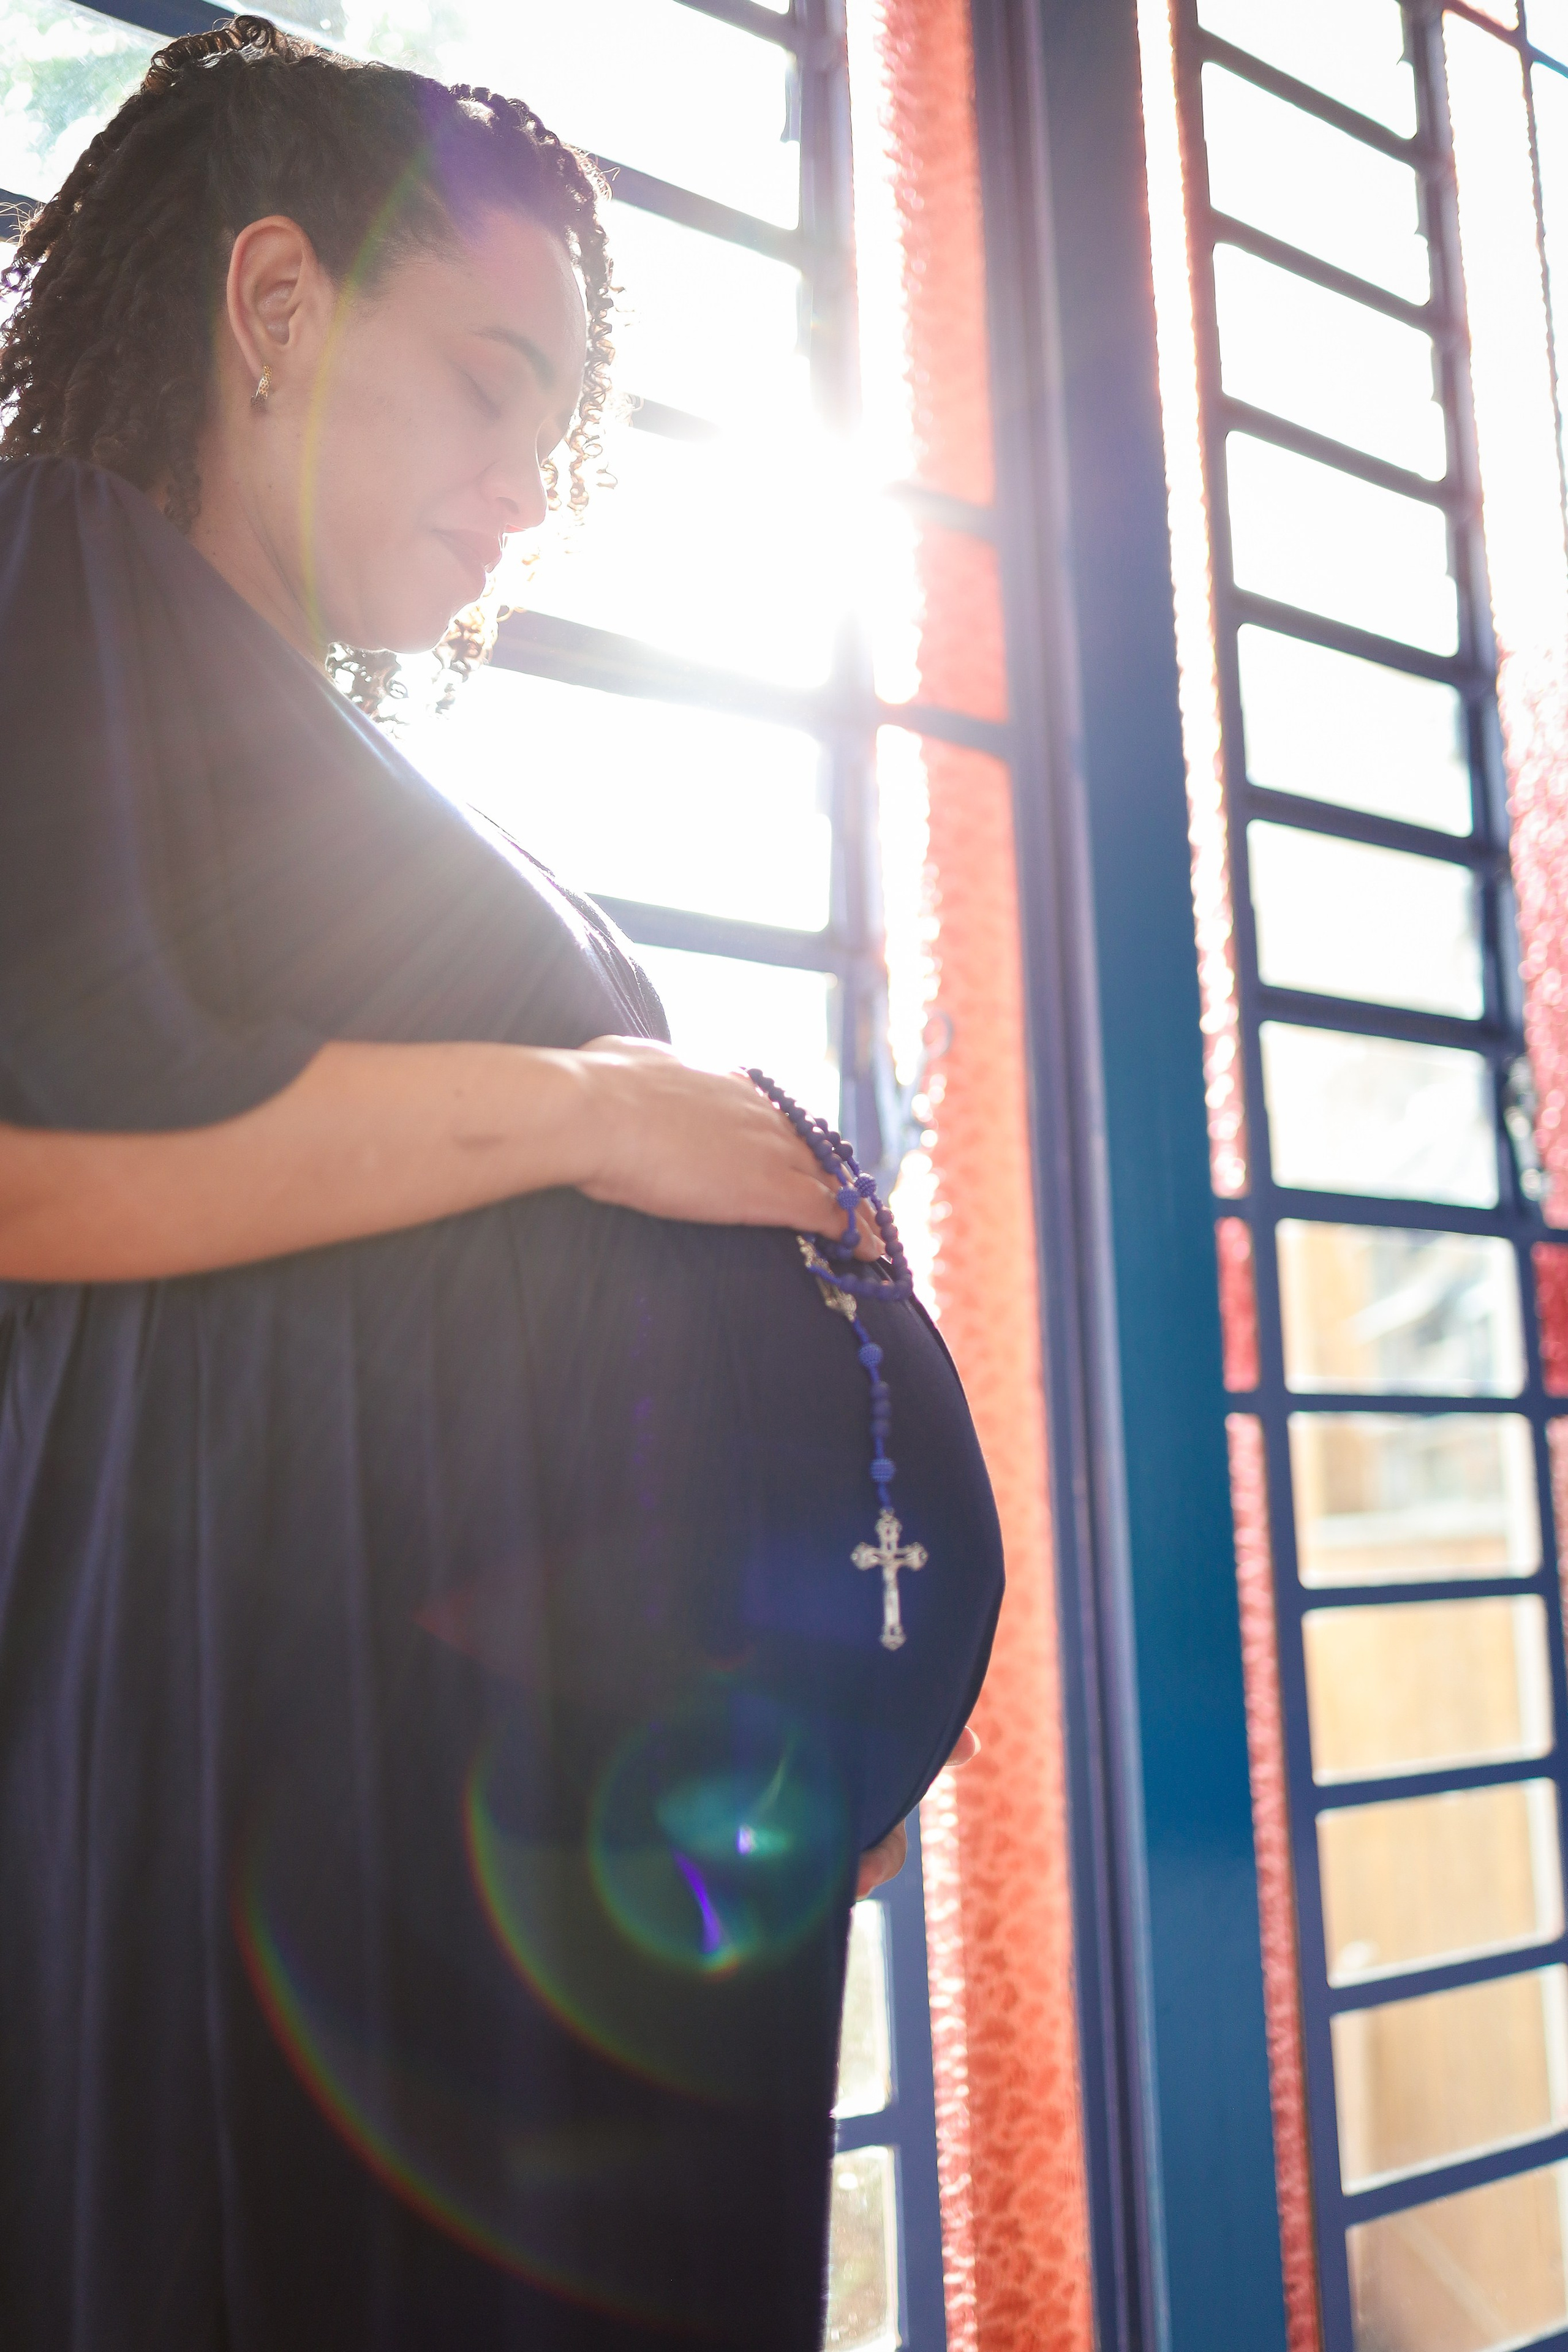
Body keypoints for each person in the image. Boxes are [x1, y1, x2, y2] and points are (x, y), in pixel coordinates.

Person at [0, 18, 1004, 2349]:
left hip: (426, 1836)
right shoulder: (63, 577)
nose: (521, 492)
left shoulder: (244, 709)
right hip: (279, 1807)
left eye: (551, 433)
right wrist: (583, 1111)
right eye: (486, 383)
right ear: (271, 309)